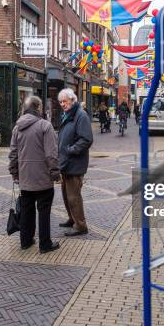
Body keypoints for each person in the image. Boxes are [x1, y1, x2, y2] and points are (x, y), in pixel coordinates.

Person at [8, 96, 61, 254]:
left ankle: (26, 241)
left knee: (26, 210)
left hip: (25, 178)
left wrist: (14, 172)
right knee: (43, 211)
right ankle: (45, 244)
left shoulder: (17, 127)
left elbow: (13, 154)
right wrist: (55, 173)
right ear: (38, 108)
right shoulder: (45, 126)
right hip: (43, 178)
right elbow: (51, 154)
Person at [58, 88, 93, 236]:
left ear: (72, 100)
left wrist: (71, 150)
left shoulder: (81, 115)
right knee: (66, 195)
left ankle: (80, 225)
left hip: (74, 163)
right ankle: (72, 219)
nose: (62, 104)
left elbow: (87, 139)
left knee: (74, 197)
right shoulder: (68, 115)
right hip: (66, 162)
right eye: (60, 102)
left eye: (64, 101)